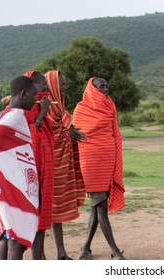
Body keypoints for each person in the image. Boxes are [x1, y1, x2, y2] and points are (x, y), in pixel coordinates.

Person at [0, 76, 39, 259]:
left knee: (6, 240)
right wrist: (1, 169)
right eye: (33, 95)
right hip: (13, 188)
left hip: (8, 185)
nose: (35, 99)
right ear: (23, 94)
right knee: (17, 244)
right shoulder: (14, 116)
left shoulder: (6, 114)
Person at [73, 77, 125, 260]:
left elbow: (114, 133)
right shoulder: (81, 108)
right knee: (100, 205)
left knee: (96, 206)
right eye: (101, 86)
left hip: (107, 161)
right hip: (91, 164)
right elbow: (77, 135)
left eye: (106, 85)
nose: (106, 88)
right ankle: (115, 251)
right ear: (92, 89)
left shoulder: (109, 105)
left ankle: (85, 248)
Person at [44, 70, 86, 260]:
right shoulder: (42, 111)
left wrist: (70, 132)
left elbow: (66, 128)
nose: (65, 86)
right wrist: (65, 133)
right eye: (62, 83)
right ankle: (41, 256)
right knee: (44, 211)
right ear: (52, 86)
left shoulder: (59, 110)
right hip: (46, 168)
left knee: (57, 210)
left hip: (59, 169)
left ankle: (61, 253)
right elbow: (43, 138)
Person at [22, 71, 54, 260]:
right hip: (30, 171)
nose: (47, 90)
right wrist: (42, 113)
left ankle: (40, 257)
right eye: (44, 86)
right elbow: (27, 136)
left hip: (43, 167)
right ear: (33, 88)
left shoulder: (37, 106)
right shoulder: (25, 110)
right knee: (34, 215)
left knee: (41, 213)